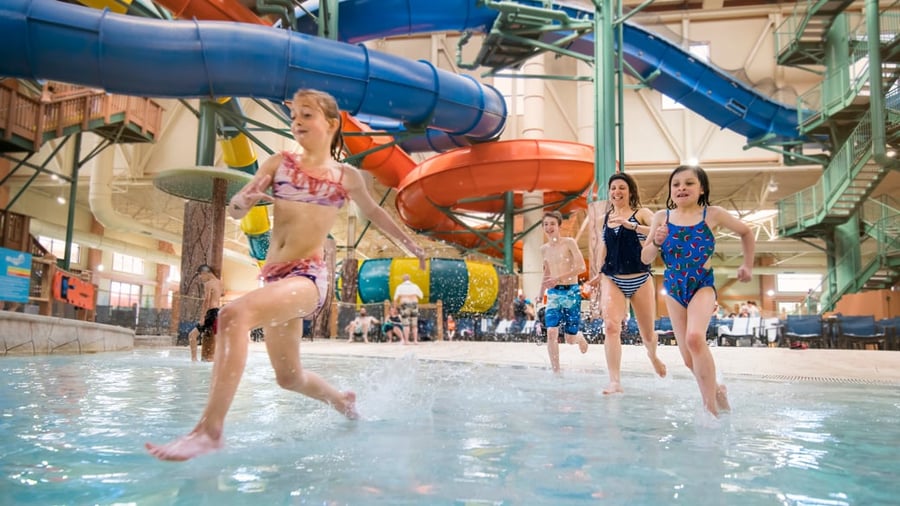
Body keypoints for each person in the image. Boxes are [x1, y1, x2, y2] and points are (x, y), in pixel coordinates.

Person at [146, 88, 427, 461]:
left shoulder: (347, 177)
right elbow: (238, 205)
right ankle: (342, 401)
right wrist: (240, 203)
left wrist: (413, 247)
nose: (297, 122)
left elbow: (376, 214)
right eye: (294, 116)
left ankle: (209, 432)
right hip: (275, 278)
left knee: (233, 315)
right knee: (289, 377)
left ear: (331, 123)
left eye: (306, 115)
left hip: (308, 278)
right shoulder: (278, 163)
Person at [641, 165, 754, 417]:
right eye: (676, 184)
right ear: (671, 190)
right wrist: (657, 241)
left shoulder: (712, 214)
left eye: (689, 183)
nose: (682, 188)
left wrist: (748, 264)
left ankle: (709, 409)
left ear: (701, 188)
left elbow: (746, 232)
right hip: (673, 287)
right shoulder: (662, 217)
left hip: (702, 283)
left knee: (695, 338)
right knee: (687, 359)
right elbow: (645, 257)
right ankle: (717, 389)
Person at [588, 173, 666, 394]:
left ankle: (653, 355)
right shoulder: (605, 217)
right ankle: (614, 381)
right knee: (611, 326)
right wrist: (598, 271)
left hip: (640, 278)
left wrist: (631, 226)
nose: (617, 192)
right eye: (613, 188)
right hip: (611, 277)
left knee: (647, 334)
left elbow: (659, 233)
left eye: (622, 188)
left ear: (630, 191)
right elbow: (604, 246)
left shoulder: (642, 213)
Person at [540, 210, 590, 373]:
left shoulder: (569, 243)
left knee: (569, 339)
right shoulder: (544, 249)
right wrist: (541, 293)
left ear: (559, 226)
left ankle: (579, 337)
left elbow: (581, 267)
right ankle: (556, 371)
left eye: (552, 224)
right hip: (553, 293)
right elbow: (547, 273)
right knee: (551, 332)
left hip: (571, 292)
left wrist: (559, 278)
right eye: (546, 224)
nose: (549, 227)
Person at [188, 264, 223, 362]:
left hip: (210, 313)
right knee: (216, 338)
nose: (201, 278)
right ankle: (218, 359)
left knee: (192, 336)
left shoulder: (208, 284)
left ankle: (194, 360)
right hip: (217, 312)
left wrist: (203, 317)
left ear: (205, 273)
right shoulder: (220, 283)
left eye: (201, 276)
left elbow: (206, 301)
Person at [393, 273, 425, 344]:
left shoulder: (400, 287)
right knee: (414, 324)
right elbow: (421, 296)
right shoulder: (415, 286)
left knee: (406, 324)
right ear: (409, 279)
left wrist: (395, 308)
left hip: (404, 305)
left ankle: (406, 341)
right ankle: (415, 340)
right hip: (414, 304)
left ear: (403, 280)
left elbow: (395, 298)